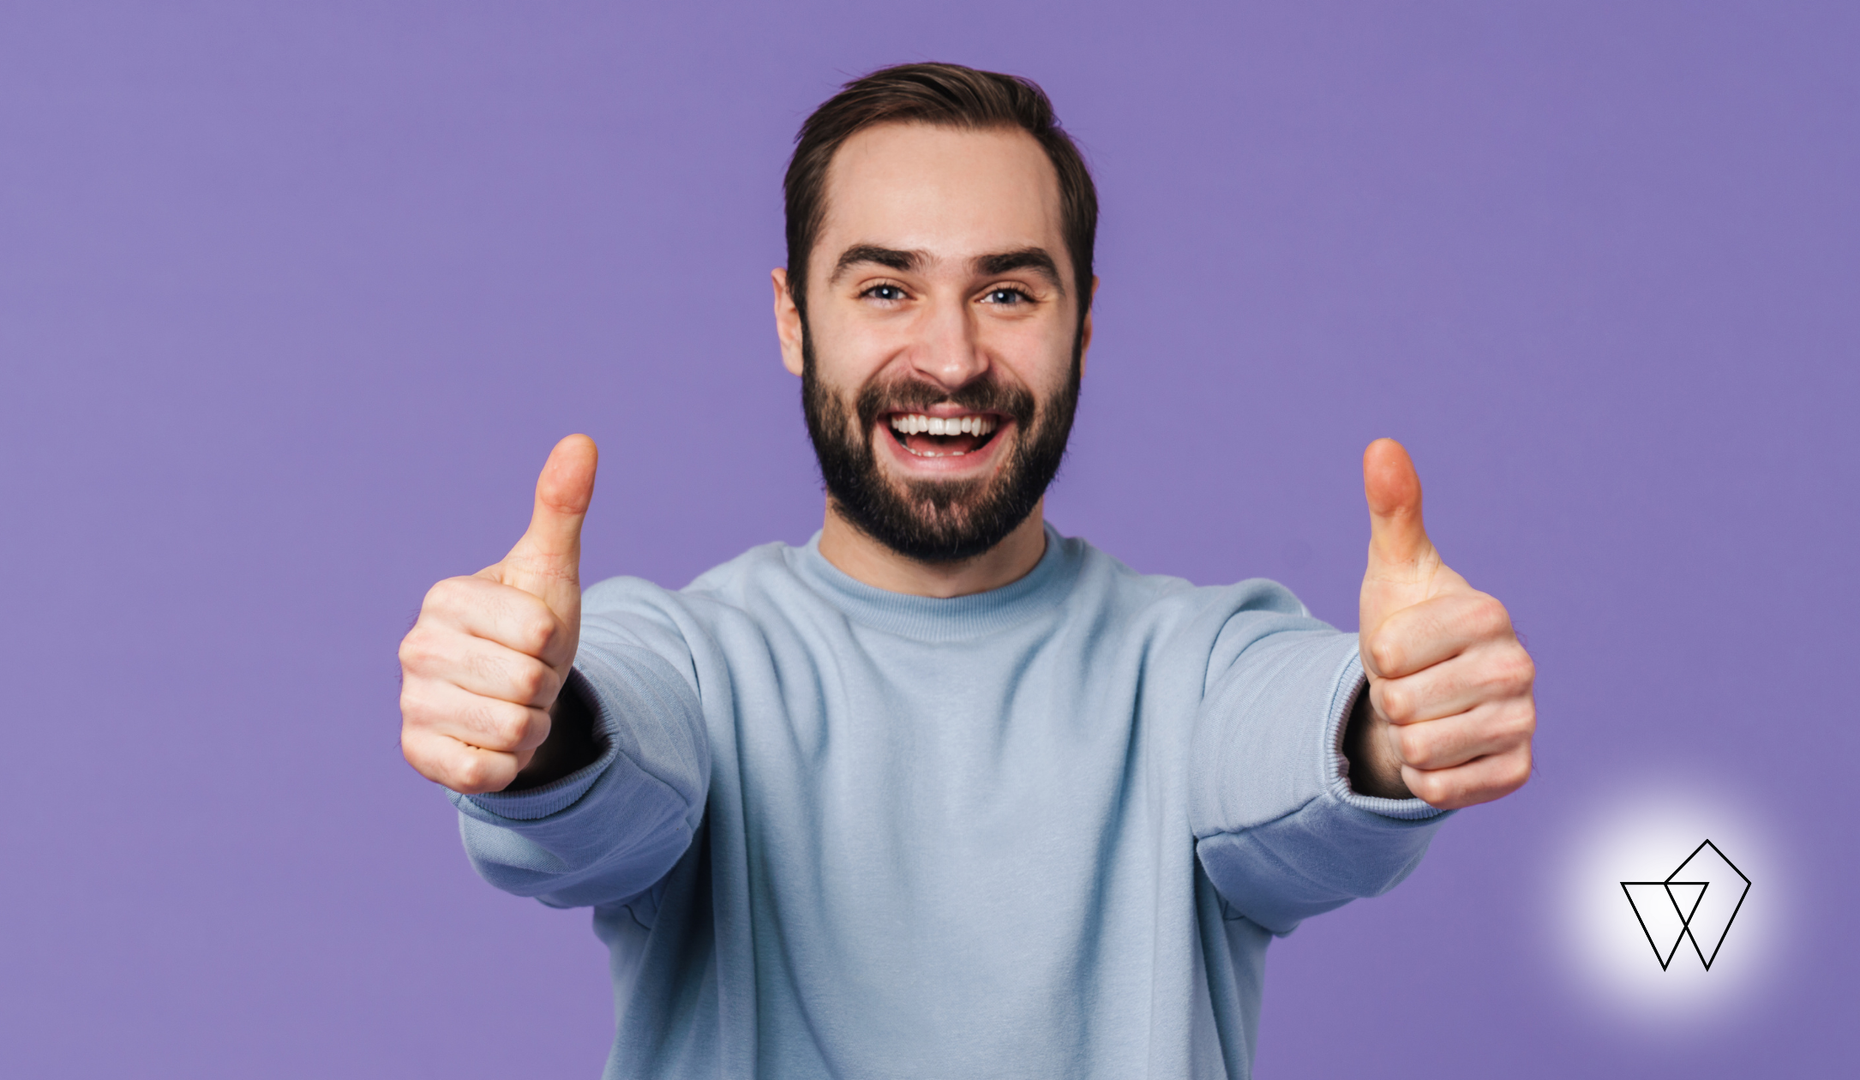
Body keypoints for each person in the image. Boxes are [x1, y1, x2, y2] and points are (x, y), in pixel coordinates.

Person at [397, 63, 1535, 1078]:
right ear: (795, 322)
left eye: (1007, 293)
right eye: (886, 288)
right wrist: (536, 721)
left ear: (1081, 327)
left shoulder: (1194, 668)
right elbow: (612, 775)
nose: (950, 359)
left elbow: (1294, 756)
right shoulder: (693, 664)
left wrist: (1398, 725)